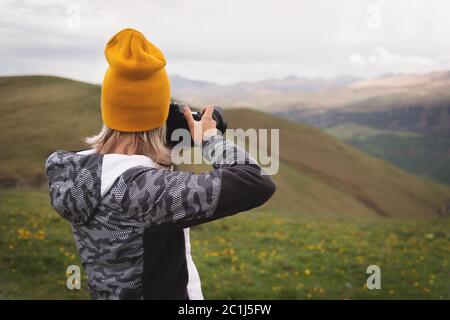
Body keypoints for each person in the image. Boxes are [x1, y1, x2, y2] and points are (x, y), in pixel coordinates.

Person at [45, 28, 276, 300]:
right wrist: (208, 139)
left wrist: (152, 135)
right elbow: (255, 180)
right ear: (158, 120)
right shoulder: (144, 192)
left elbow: (126, 160)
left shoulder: (76, 173)